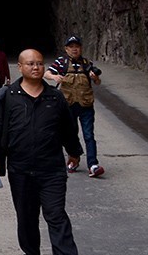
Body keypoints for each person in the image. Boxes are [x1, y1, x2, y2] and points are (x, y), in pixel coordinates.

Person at [0, 49, 84, 255]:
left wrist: (74, 151)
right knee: (27, 217)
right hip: (21, 169)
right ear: (20, 67)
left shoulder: (54, 98)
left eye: (39, 63)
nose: (36, 67)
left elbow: (68, 128)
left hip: (51, 169)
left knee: (56, 215)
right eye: (30, 64)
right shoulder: (7, 95)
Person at [45, 35, 105, 178]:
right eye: (71, 47)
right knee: (70, 135)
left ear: (81, 48)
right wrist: (54, 77)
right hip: (68, 105)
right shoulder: (62, 62)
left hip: (86, 104)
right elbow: (47, 73)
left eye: (76, 46)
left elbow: (97, 82)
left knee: (89, 135)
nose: (74, 49)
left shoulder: (86, 63)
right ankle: (74, 159)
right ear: (66, 49)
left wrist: (95, 77)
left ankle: (93, 164)